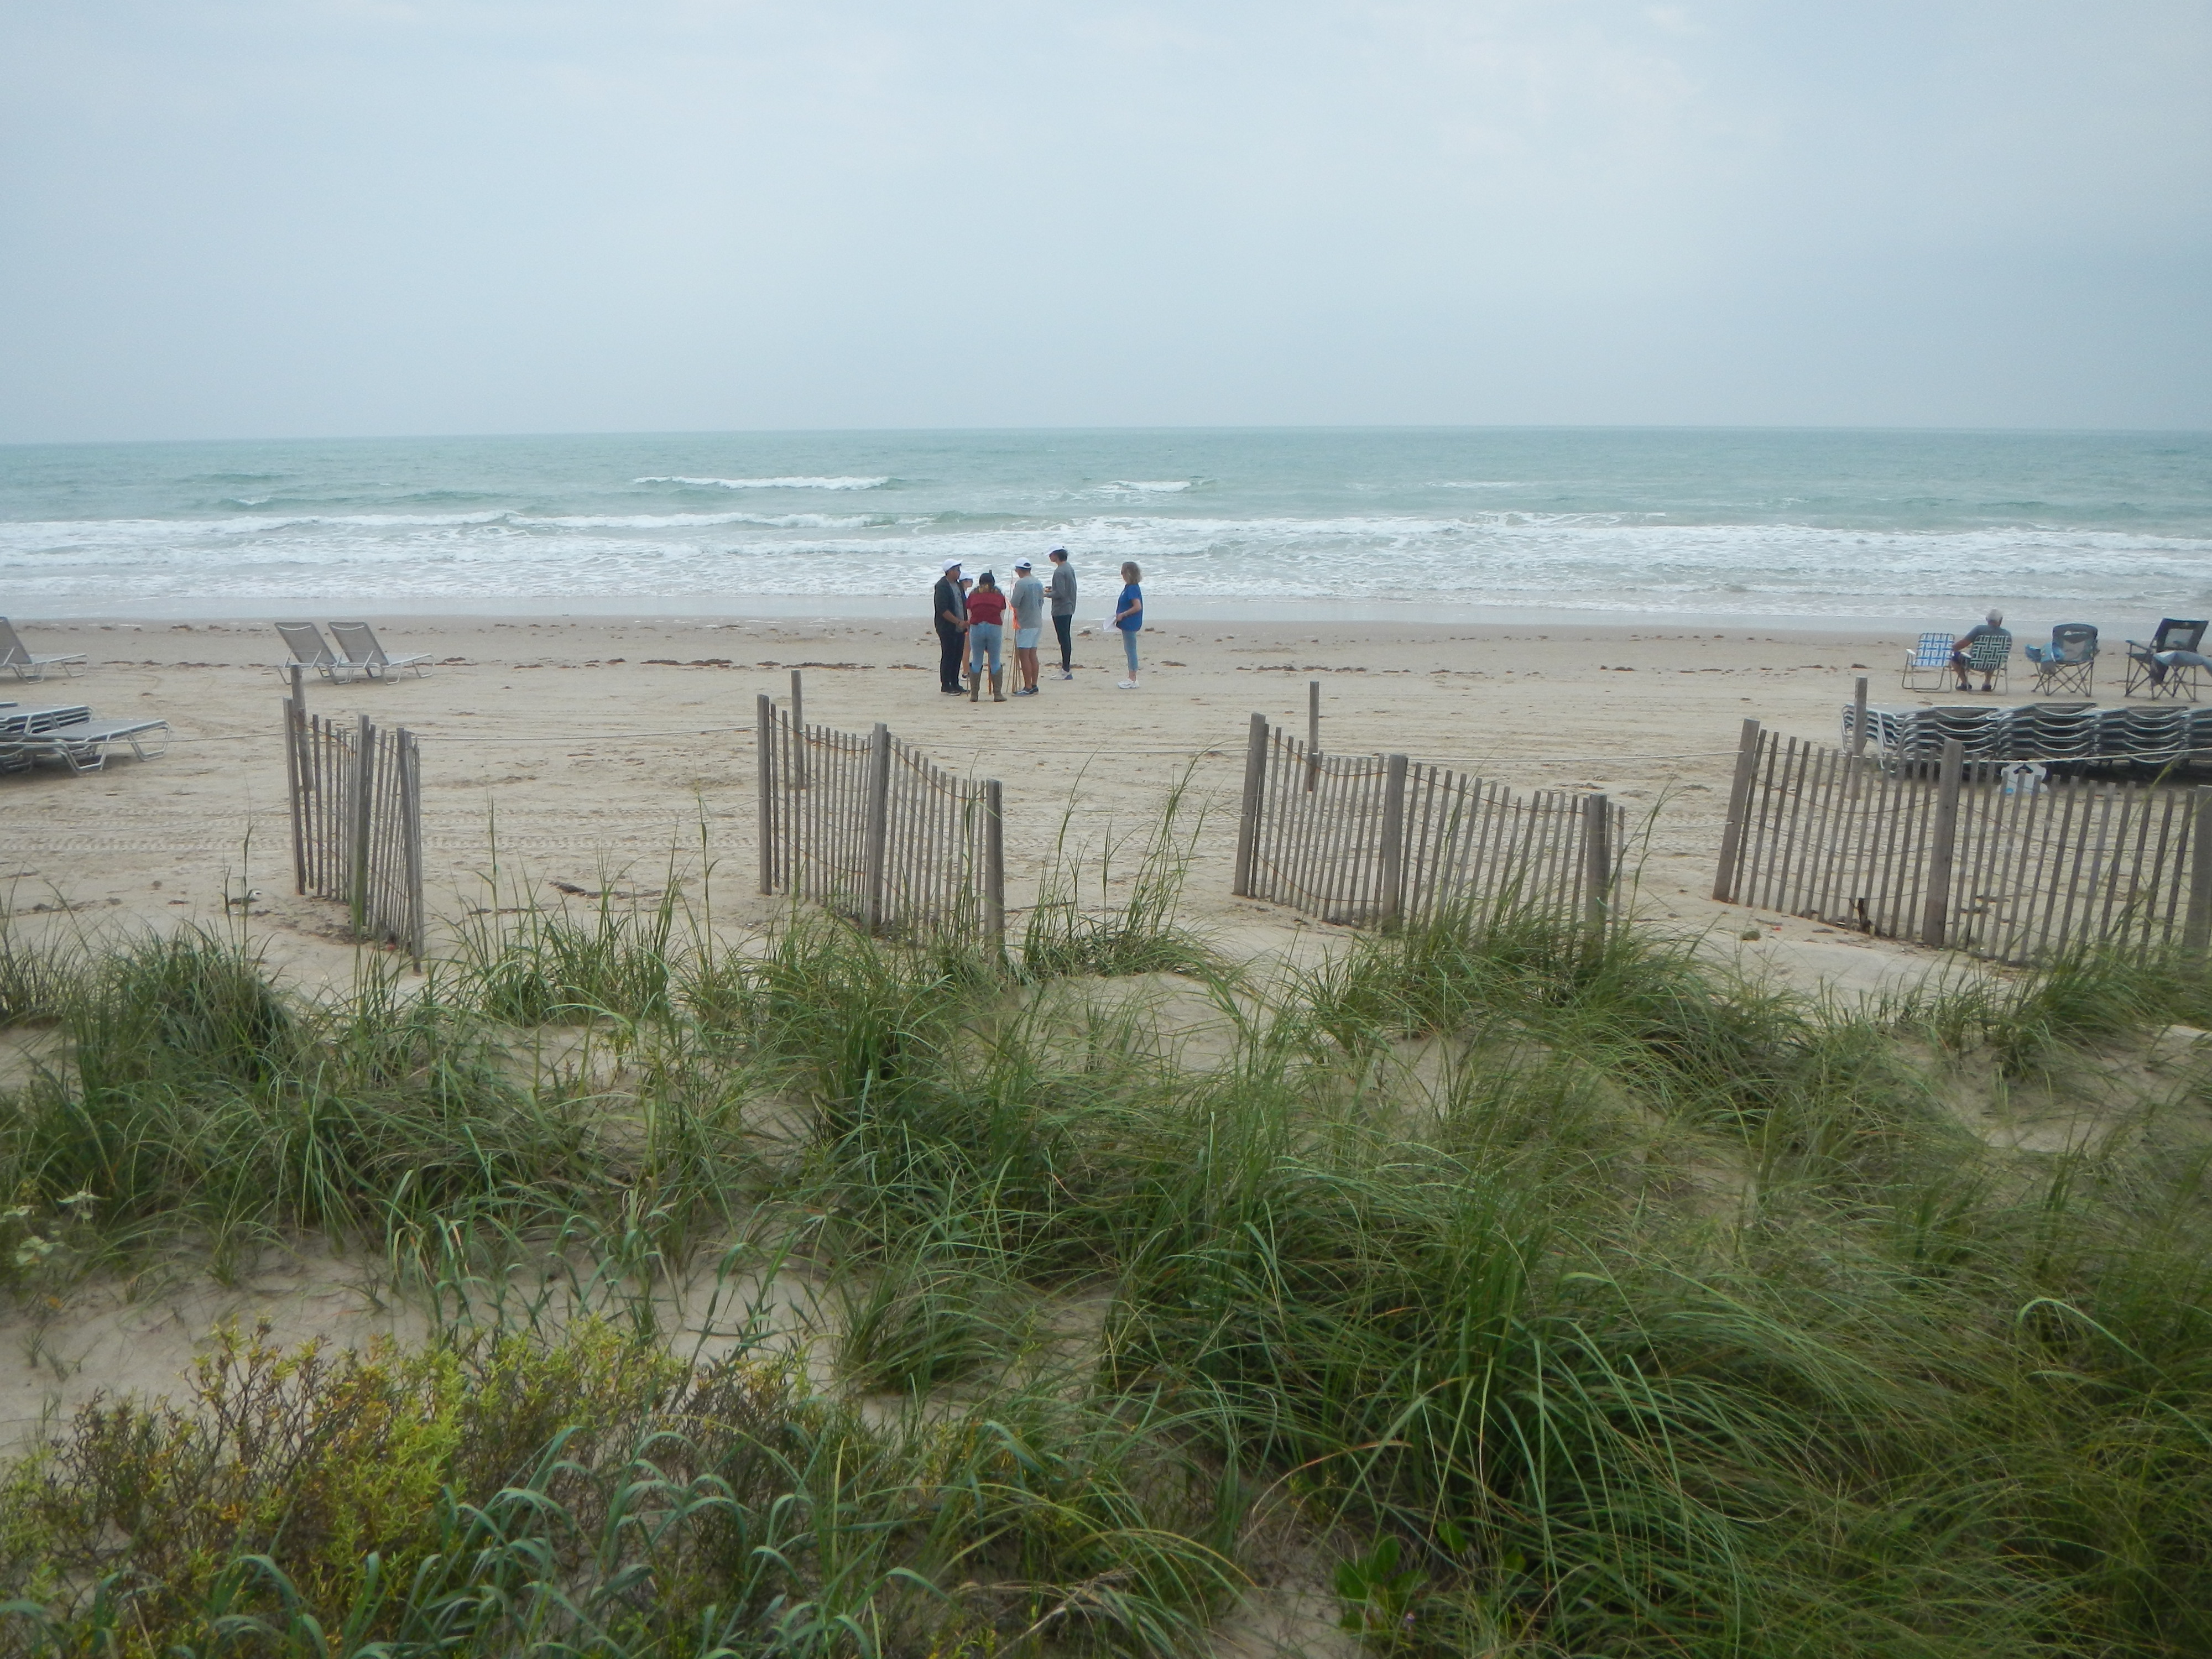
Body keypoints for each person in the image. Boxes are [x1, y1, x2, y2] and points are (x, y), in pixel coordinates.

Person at [966, 570, 1009, 702]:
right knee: (995, 660)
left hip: (977, 627)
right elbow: (1001, 616)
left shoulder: (973, 596)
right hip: (994, 626)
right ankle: (997, 694)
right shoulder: (999, 596)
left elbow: (969, 616)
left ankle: (974, 694)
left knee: (977, 660)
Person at [1008, 558, 1046, 696]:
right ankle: (1034, 685)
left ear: (1019, 570)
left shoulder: (1022, 583)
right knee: (1032, 654)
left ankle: (1028, 687)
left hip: (1026, 623)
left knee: (1024, 655)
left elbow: (1015, 603)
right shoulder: (1038, 582)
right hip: (1037, 622)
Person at [932, 560, 968, 694]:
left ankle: (955, 683)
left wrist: (965, 622)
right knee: (949, 655)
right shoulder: (942, 586)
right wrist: (957, 622)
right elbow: (942, 609)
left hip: (960, 627)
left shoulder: (958, 586)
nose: (959, 572)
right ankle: (946, 685)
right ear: (950, 571)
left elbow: (963, 604)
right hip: (947, 627)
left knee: (958, 655)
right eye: (957, 570)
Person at [1951, 608, 2008, 692]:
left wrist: (1951, 649)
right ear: (2001, 620)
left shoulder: (1979, 630)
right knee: (1994, 655)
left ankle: (1965, 683)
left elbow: (1964, 643)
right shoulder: (2006, 634)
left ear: (1987, 619)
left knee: (1954, 657)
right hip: (1995, 664)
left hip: (1974, 662)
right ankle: (1987, 683)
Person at [1113, 560, 1144, 689]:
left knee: (1131, 649)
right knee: (1129, 649)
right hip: (1126, 623)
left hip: (1130, 622)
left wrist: (1123, 614)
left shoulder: (1132, 589)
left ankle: (1132, 678)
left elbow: (1138, 607)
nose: (1121, 574)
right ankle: (1132, 676)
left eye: (1123, 572)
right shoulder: (1129, 588)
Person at [1047, 547, 1077, 680]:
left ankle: (1066, 670)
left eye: (1051, 554)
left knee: (1063, 639)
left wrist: (1045, 594)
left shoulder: (1059, 571)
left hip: (1061, 609)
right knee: (1065, 638)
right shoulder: (1068, 568)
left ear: (1056, 555)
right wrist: (1052, 589)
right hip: (1069, 606)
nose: (1049, 556)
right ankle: (1066, 668)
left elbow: (1060, 593)